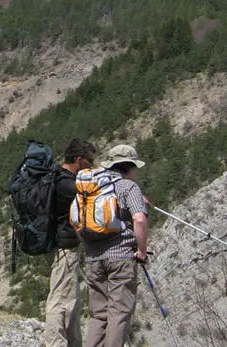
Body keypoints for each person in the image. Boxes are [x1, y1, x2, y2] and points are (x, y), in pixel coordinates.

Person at [83, 144, 150, 347]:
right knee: (118, 314)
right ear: (129, 166)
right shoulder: (129, 187)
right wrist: (142, 251)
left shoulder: (92, 188)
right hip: (121, 257)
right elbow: (139, 219)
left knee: (98, 315)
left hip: (93, 258)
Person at [44, 138, 96, 347]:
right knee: (60, 299)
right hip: (65, 248)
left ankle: (74, 342)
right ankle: (55, 343)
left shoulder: (57, 178)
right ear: (79, 159)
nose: (91, 166)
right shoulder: (69, 185)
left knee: (71, 298)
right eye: (89, 162)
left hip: (58, 246)